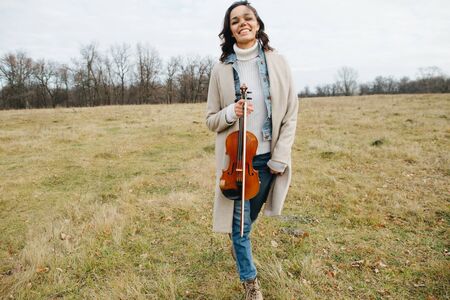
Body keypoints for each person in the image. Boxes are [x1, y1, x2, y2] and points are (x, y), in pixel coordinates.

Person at [205, 1, 298, 299]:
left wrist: (280, 156)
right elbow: (210, 120)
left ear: (257, 23)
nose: (242, 23)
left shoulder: (278, 62)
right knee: (240, 226)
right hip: (237, 163)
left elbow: (291, 114)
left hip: (268, 160)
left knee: (249, 218)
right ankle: (250, 283)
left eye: (248, 18)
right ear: (229, 30)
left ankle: (239, 248)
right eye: (235, 21)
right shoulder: (221, 70)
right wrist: (232, 111)